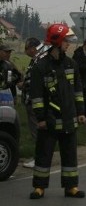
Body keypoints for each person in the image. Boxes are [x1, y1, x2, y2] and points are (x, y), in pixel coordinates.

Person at [29, 24, 86, 199]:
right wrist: (40, 118)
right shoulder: (41, 67)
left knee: (69, 154)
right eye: (66, 41)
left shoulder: (71, 64)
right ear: (57, 42)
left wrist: (81, 112)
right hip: (49, 120)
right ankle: (39, 187)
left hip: (69, 118)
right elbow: (36, 96)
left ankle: (71, 187)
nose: (68, 44)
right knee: (44, 154)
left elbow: (78, 90)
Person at [18, 37, 45, 169]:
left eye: (27, 48)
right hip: (34, 99)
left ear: (33, 48)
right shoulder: (38, 59)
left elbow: (36, 80)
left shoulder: (39, 60)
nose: (26, 51)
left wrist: (23, 84)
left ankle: (39, 159)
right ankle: (41, 156)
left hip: (35, 100)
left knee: (37, 130)